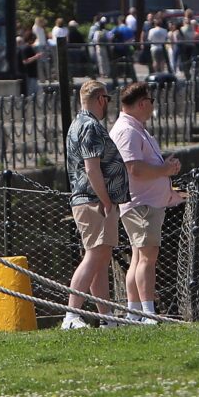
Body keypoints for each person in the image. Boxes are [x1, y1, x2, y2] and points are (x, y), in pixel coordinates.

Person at [61, 78, 130, 329]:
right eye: (107, 99)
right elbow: (92, 169)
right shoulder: (90, 126)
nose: (108, 104)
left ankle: (107, 318)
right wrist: (106, 201)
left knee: (100, 260)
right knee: (94, 256)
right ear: (101, 99)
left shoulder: (76, 124)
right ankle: (71, 315)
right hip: (94, 201)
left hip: (87, 200)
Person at [110, 80, 179, 321]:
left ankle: (135, 312)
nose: (152, 106)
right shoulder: (127, 131)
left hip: (144, 203)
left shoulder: (135, 128)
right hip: (142, 204)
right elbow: (134, 168)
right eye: (151, 101)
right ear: (142, 103)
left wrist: (165, 167)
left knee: (139, 257)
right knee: (148, 258)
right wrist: (164, 171)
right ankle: (148, 313)